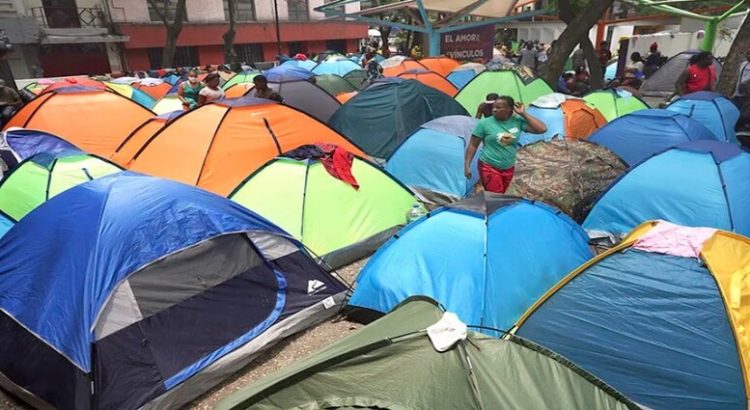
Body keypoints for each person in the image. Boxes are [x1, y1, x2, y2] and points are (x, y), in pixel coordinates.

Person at [464, 96, 547, 193]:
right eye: (493, 107)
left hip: (508, 166)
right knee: (495, 195)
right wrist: (467, 165)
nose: (494, 110)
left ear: (509, 109)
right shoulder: (484, 124)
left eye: (498, 108)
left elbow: (542, 129)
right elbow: (473, 145)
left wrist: (523, 114)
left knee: (502, 194)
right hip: (489, 165)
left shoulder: (517, 121)